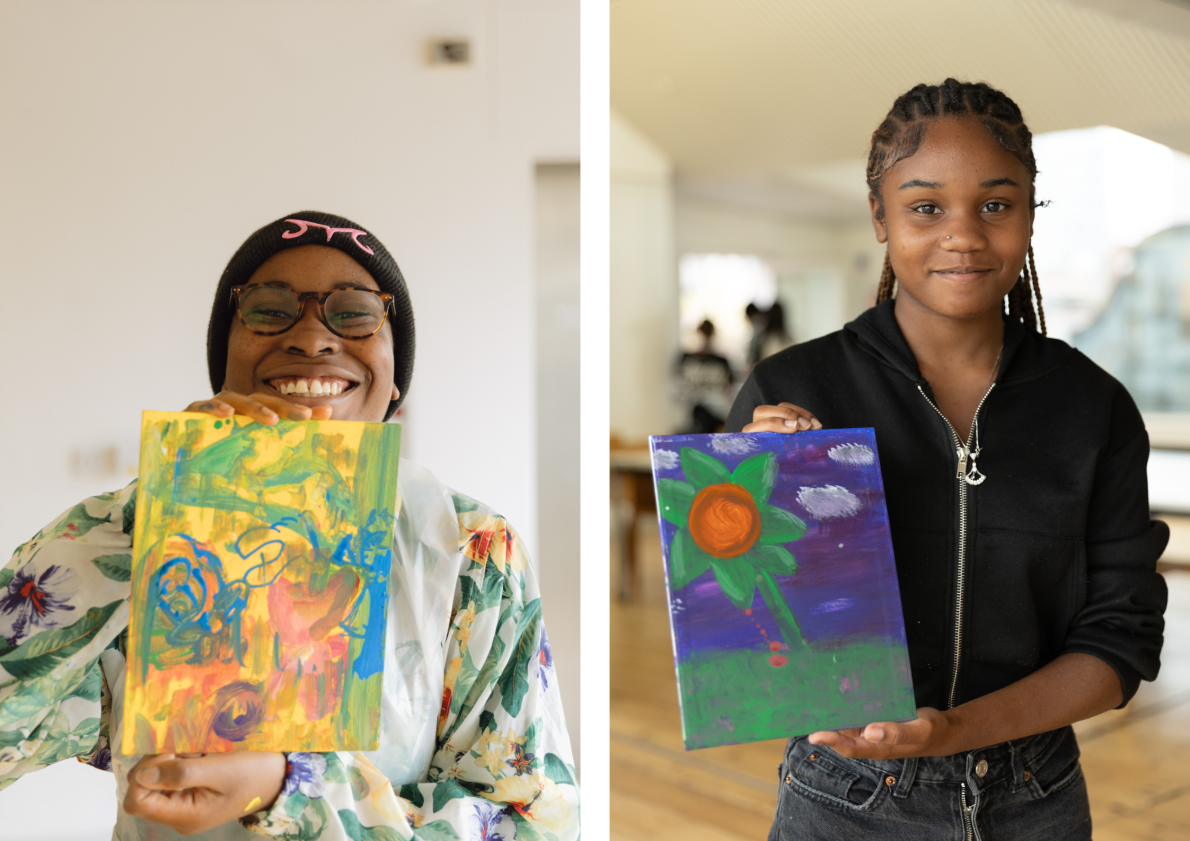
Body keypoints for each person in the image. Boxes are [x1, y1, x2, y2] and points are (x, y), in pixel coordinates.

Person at [0, 211, 579, 840]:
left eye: (355, 312)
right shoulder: (138, 535)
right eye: (269, 309)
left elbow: (531, 823)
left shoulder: (468, 548)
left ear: (394, 382)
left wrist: (292, 789)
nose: (310, 337)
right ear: (225, 359)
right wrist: (158, 507)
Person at [727, 80, 1167, 840]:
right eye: (926, 207)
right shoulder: (792, 390)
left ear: (1030, 213)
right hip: (845, 799)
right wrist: (744, 510)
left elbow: (1120, 639)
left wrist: (954, 730)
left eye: (996, 204)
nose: (962, 234)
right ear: (879, 215)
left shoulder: (1093, 408)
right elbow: (739, 633)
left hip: (1037, 795)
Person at [674, 319, 735, 434]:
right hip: (689, 410)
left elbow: (729, 388)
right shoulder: (686, 358)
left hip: (716, 411)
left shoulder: (721, 361)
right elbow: (677, 385)